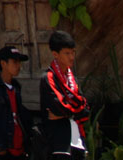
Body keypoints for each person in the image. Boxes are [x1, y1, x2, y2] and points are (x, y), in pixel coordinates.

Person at [39, 31, 90, 160]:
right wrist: (74, 109)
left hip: (76, 135)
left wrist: (67, 112)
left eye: (73, 52)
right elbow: (58, 107)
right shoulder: (48, 78)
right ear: (55, 54)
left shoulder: (71, 77)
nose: (71, 57)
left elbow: (85, 107)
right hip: (58, 138)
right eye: (67, 53)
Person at [0, 46, 33, 159]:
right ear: (3, 63)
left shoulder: (16, 87)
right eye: (14, 62)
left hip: (17, 147)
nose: (18, 66)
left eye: (19, 62)